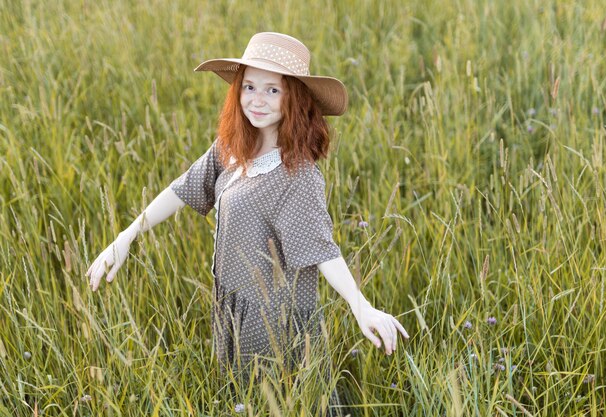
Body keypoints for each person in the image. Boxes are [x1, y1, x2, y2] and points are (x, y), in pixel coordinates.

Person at [85, 32, 409, 413]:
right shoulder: (232, 147)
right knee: (242, 402)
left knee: (287, 404)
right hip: (230, 308)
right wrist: (125, 237)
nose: (257, 99)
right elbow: (181, 189)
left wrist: (360, 305)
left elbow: (322, 249)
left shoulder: (297, 175)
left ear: (294, 98)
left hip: (275, 320)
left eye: (273, 90)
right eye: (250, 86)